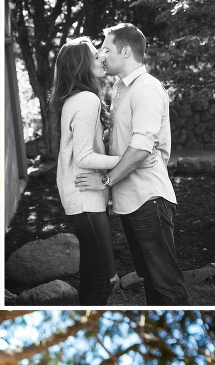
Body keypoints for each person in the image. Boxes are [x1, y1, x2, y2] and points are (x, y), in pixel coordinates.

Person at [75, 23, 189, 305]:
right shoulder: (122, 89)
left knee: (166, 284)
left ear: (126, 51)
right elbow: (126, 141)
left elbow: (140, 149)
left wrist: (105, 181)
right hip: (131, 202)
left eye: (107, 49)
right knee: (150, 278)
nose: (102, 55)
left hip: (148, 199)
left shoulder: (147, 89)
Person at [49, 37, 157, 306]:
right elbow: (84, 157)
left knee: (89, 274)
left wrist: (104, 137)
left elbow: (80, 146)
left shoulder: (74, 98)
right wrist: (127, 159)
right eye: (95, 55)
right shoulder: (86, 99)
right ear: (81, 64)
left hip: (79, 197)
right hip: (86, 199)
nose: (102, 59)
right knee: (106, 280)